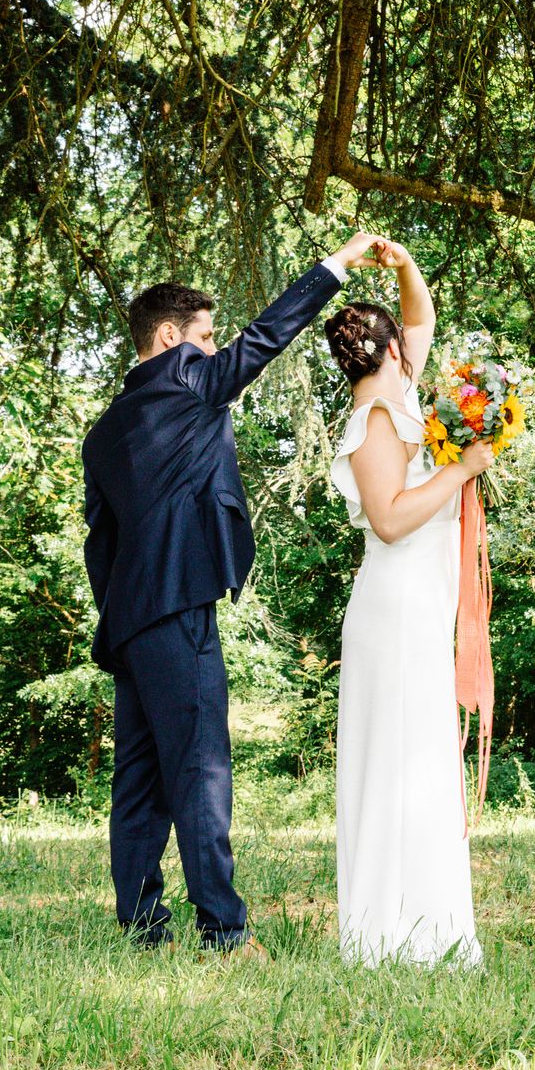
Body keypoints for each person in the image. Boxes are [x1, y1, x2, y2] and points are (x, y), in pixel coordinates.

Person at [81, 232, 380, 956]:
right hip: (180, 608)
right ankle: (223, 930)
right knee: (201, 772)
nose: (217, 350)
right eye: (207, 336)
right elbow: (266, 339)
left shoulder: (105, 431)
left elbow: (100, 544)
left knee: (138, 781)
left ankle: (142, 929)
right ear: (170, 338)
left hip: (128, 620)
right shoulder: (186, 379)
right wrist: (337, 265)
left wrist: (120, 617)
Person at [325, 237, 493, 966]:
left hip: (421, 606)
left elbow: (419, 318)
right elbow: (389, 519)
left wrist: (404, 266)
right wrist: (463, 470)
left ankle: (429, 924)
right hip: (392, 612)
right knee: (397, 761)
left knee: (423, 760)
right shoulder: (376, 422)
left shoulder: (400, 399)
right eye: (404, 342)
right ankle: (385, 933)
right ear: (390, 351)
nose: (414, 344)